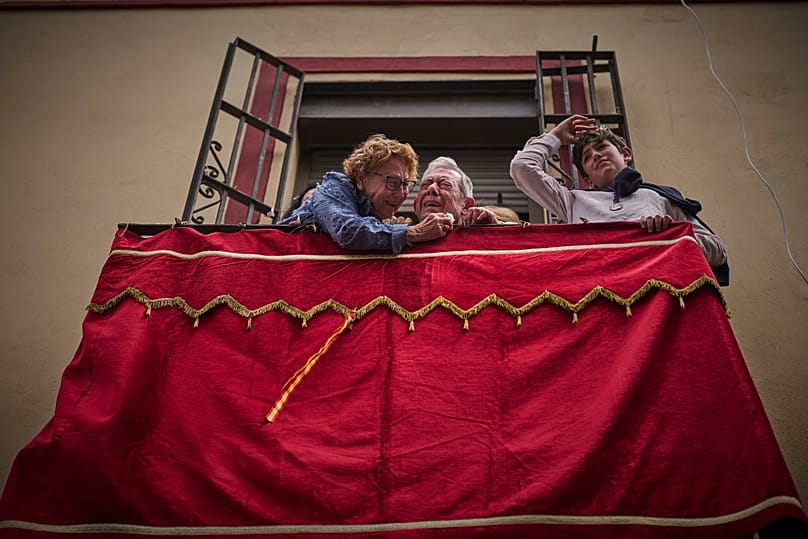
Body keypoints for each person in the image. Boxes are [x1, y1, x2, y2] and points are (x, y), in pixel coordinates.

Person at [510, 115, 728, 281]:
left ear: (626, 153)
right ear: (588, 180)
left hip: (656, 298)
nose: (596, 155)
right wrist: (555, 136)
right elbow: (522, 168)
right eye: (587, 157)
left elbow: (717, 252)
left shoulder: (660, 196)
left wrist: (670, 236)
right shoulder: (572, 201)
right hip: (595, 295)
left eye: (602, 147)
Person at [279, 134, 454, 253]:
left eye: (406, 185)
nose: (401, 194)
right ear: (362, 179)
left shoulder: (375, 214)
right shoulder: (334, 187)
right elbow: (347, 230)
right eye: (393, 183)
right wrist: (415, 232)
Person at [411, 156, 503, 226]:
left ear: (466, 205)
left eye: (445, 184)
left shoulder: (479, 236)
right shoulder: (402, 239)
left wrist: (494, 227)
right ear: (415, 205)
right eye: (426, 184)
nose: (431, 188)